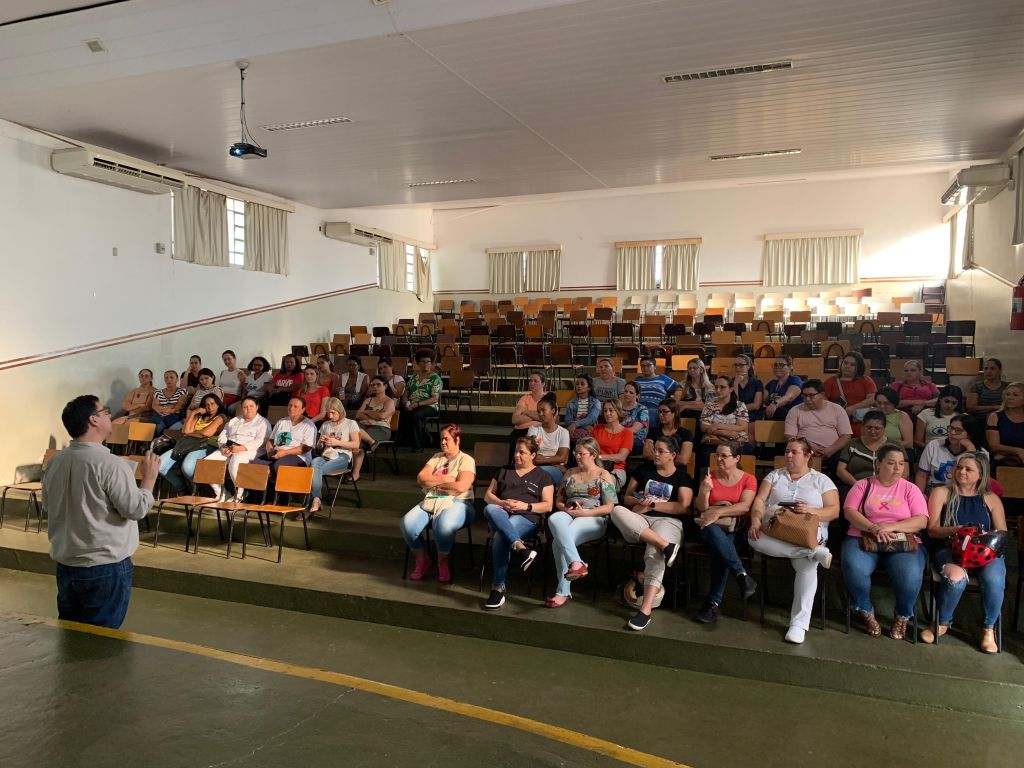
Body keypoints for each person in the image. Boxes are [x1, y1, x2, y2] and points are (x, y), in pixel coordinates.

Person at [43, 395, 160, 628]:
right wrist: (149, 480)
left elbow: (48, 505)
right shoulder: (110, 464)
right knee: (102, 639)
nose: (110, 414)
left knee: (73, 633)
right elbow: (135, 509)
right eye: (105, 411)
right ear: (93, 420)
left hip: (67, 563)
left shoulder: (56, 461)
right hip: (103, 566)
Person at [748, 438, 839, 644]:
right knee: (753, 539)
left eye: (794, 452)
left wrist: (810, 511)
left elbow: (834, 511)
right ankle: (812, 552)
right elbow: (760, 500)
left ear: (807, 456)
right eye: (787, 451)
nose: (788, 455)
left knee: (807, 567)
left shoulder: (821, 480)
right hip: (776, 529)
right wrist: (755, 519)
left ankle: (798, 625)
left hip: (807, 531)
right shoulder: (775, 475)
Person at [841, 444, 928, 640]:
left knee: (910, 574)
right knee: (854, 566)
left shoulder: (910, 489)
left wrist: (890, 527)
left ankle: (902, 615)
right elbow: (850, 512)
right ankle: (865, 610)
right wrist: (873, 528)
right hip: (864, 535)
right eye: (891, 463)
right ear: (878, 463)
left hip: (901, 539)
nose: (898, 468)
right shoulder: (862, 485)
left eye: (901, 464)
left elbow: (921, 520)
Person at [922, 452, 1007, 653]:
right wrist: (956, 530)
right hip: (950, 549)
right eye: (959, 467)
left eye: (969, 469)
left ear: (981, 474)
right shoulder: (941, 492)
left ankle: (989, 629)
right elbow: (932, 530)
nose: (962, 472)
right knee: (956, 578)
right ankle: (942, 622)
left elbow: (1002, 533)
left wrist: (985, 537)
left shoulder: (990, 498)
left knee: (994, 580)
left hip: (985, 551)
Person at [610, 435, 693, 631]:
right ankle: (666, 546)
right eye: (655, 449)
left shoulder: (682, 477)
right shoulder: (643, 470)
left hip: (668, 521)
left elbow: (683, 507)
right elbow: (627, 498)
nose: (655, 453)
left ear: (673, 455)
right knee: (616, 510)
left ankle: (645, 610)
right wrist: (640, 502)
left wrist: (653, 505)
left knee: (654, 552)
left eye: (660, 451)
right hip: (639, 521)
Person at [481, 436, 553, 608]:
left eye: (522, 452)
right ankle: (521, 548)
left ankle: (498, 588)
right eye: (515, 451)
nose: (517, 455)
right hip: (502, 513)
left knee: (500, 536)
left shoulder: (543, 476)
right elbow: (488, 495)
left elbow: (548, 505)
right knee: (490, 508)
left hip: (526, 517)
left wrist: (525, 506)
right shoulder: (504, 470)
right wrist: (502, 502)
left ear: (533, 455)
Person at [546, 437, 618, 608]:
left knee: (558, 542)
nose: (577, 456)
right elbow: (559, 501)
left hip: (594, 517)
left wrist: (584, 513)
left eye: (581, 453)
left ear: (593, 455)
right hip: (570, 512)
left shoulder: (603, 474)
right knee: (554, 518)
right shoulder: (570, 473)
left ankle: (563, 591)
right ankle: (577, 563)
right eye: (575, 453)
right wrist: (567, 509)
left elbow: (609, 507)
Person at [694, 441, 758, 623]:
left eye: (724, 455)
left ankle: (712, 603)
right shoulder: (710, 477)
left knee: (721, 547)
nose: (719, 459)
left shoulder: (748, 479)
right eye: (717, 455)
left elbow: (744, 507)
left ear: (737, 458)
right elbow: (701, 508)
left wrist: (718, 512)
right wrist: (704, 491)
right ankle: (741, 575)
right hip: (709, 529)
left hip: (736, 529)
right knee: (713, 530)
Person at [205, 396, 270, 502]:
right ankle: (221, 493)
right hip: (229, 447)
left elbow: (261, 441)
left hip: (250, 450)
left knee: (235, 463)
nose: (248, 409)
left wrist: (241, 448)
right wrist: (223, 447)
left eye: (251, 406)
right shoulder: (234, 420)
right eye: (245, 407)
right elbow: (223, 435)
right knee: (207, 463)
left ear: (257, 407)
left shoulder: (263, 422)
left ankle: (240, 495)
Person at [158, 393, 226, 492]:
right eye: (206, 405)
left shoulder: (221, 417)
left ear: (218, 404)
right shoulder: (198, 416)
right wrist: (193, 413)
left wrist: (190, 433)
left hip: (204, 445)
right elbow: (185, 430)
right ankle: (182, 488)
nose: (209, 407)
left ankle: (196, 486)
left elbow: (206, 433)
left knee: (187, 468)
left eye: (212, 404)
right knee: (159, 465)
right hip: (186, 444)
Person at [308, 398, 363, 517]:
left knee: (313, 470)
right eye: (328, 413)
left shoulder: (350, 423)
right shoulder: (326, 424)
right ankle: (316, 499)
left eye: (333, 412)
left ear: (340, 410)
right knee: (315, 461)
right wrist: (321, 442)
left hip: (342, 456)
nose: (330, 416)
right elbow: (319, 447)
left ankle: (312, 501)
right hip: (327, 455)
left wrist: (337, 442)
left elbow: (356, 444)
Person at [784, 378, 852, 473]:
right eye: (805, 396)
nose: (807, 399)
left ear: (822, 395)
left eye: (811, 395)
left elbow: (846, 436)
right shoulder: (795, 411)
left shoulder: (837, 409)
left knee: (841, 465)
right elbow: (790, 436)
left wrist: (830, 450)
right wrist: (808, 449)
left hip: (833, 451)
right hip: (803, 451)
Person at [836, 410, 909, 489]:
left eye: (877, 428)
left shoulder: (896, 446)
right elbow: (840, 470)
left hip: (889, 487)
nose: (872, 431)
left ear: (884, 428)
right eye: (869, 427)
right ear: (863, 427)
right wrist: (858, 485)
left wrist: (887, 488)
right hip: (856, 486)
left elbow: (905, 473)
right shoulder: (853, 444)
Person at [916, 414, 986, 494]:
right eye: (951, 428)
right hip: (934, 491)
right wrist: (920, 495)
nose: (952, 432)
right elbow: (922, 475)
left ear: (970, 434)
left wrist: (970, 449)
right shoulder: (934, 445)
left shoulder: (982, 454)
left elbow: (976, 481)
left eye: (958, 430)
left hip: (964, 493)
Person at [252, 396, 317, 481]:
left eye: (295, 406)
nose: (291, 408)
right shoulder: (281, 422)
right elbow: (271, 441)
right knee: (254, 465)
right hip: (277, 452)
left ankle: (278, 489)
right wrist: (270, 450)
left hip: (297, 456)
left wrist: (285, 452)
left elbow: (306, 448)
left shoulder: (309, 425)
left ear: (303, 410)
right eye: (290, 405)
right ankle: (260, 489)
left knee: (279, 466)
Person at [700, 376, 750, 466]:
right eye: (716, 387)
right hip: (714, 442)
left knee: (743, 454)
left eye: (722, 387)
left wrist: (717, 426)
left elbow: (741, 426)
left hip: (736, 442)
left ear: (731, 389)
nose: (718, 390)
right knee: (706, 454)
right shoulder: (709, 406)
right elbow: (704, 427)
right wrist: (724, 432)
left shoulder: (739, 405)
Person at [400, 350, 443, 452]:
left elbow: (434, 398)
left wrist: (417, 404)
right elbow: (406, 394)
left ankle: (418, 444)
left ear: (431, 363)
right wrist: (406, 403)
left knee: (415, 414)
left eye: (428, 361)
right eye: (422, 361)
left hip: (430, 406)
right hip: (413, 405)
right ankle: (403, 441)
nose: (425, 364)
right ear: (418, 364)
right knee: (400, 412)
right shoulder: (414, 378)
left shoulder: (435, 378)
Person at [823, 351, 877, 429]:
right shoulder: (830, 381)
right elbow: (822, 400)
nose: (847, 366)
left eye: (852, 365)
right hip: (836, 422)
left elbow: (873, 399)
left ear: (858, 367)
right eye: (845, 363)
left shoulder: (866, 380)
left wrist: (852, 409)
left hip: (860, 422)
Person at [592, 399, 635, 490]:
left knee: (601, 484)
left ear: (618, 412)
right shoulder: (597, 428)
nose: (607, 413)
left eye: (611, 410)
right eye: (605, 411)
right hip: (595, 466)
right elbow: (590, 449)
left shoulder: (627, 433)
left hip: (616, 469)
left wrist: (599, 457)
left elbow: (621, 457)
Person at [527, 395, 570, 484]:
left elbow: (562, 458)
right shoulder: (533, 429)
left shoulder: (563, 432)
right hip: (537, 466)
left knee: (540, 473)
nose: (540, 414)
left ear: (553, 411)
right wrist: (553, 460)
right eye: (538, 411)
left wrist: (540, 459)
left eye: (543, 410)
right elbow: (530, 453)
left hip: (553, 468)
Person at [642, 399, 694, 470]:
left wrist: (658, 457)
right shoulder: (653, 431)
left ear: (675, 413)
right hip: (653, 469)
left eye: (665, 411)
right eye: (659, 411)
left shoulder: (686, 433)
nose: (660, 414)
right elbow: (647, 454)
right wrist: (670, 457)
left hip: (676, 471)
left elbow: (683, 460)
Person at [986, 382, 1024, 467]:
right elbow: (994, 446)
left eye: (1015, 395)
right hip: (1002, 462)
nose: (1010, 398)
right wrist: (1018, 451)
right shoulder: (995, 416)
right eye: (1007, 394)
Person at [914, 385, 963, 450]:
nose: (949, 405)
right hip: (930, 450)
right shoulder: (926, 413)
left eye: (954, 403)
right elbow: (918, 441)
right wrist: (934, 450)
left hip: (955, 451)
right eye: (947, 401)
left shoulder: (963, 417)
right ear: (940, 399)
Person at [509, 370, 549, 450]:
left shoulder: (548, 399)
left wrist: (527, 412)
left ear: (543, 383)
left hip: (539, 430)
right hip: (521, 430)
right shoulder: (524, 398)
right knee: (514, 436)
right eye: (530, 381)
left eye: (535, 381)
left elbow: (548, 418)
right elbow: (515, 419)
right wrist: (537, 416)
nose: (532, 383)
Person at [354, 375, 397, 444]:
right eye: (373, 385)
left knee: (359, 438)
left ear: (385, 386)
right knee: (350, 431)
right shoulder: (368, 400)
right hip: (363, 425)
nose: (375, 387)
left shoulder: (389, 401)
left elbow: (382, 416)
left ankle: (359, 450)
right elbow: (358, 415)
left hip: (381, 428)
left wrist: (366, 411)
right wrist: (375, 416)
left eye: (378, 384)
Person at [564, 373, 601, 442]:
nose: (579, 386)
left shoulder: (596, 402)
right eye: (577, 384)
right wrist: (583, 426)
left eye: (582, 384)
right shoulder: (571, 402)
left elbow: (592, 418)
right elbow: (567, 420)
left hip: (590, 429)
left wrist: (576, 424)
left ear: (589, 388)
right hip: (575, 429)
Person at [764, 355, 803, 421]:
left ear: (790, 367)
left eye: (781, 365)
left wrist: (774, 404)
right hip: (776, 417)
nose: (777, 367)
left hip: (793, 417)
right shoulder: (771, 383)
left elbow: (789, 397)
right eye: (775, 365)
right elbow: (764, 400)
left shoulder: (795, 380)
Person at [150, 370, 188, 436]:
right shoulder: (158, 392)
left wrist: (171, 410)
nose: (169, 380)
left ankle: (158, 439)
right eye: (166, 378)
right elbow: (154, 405)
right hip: (159, 414)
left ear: (177, 379)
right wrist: (160, 411)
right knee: (158, 423)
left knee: (159, 426)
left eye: (171, 377)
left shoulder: (182, 391)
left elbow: (180, 404)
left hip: (174, 415)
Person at [619, 381, 649, 454]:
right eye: (626, 391)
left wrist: (616, 433)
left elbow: (634, 429)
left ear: (637, 396)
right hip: (617, 437)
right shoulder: (617, 407)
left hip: (635, 439)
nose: (627, 394)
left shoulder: (642, 409)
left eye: (631, 392)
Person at [732, 354, 764, 422]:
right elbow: (733, 403)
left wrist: (738, 409)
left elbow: (756, 405)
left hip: (752, 415)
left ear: (748, 366)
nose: (737, 368)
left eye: (741, 365)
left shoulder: (756, 382)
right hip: (735, 416)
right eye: (736, 365)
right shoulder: (731, 382)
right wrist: (735, 384)